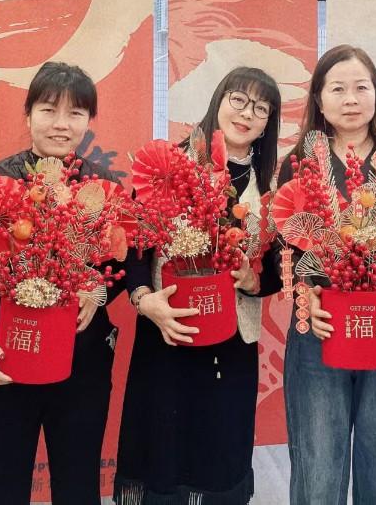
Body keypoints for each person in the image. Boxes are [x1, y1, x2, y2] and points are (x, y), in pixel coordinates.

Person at [0, 61, 122, 504]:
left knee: (78, 486)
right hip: (6, 358)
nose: (61, 124)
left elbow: (125, 261)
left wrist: (97, 290)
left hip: (80, 365)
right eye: (48, 110)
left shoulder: (103, 187)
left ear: (89, 121)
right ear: (28, 116)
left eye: (75, 113)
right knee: (3, 488)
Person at [114, 66, 283, 504]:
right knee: (164, 444)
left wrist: (255, 280)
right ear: (219, 101)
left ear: (269, 123)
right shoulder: (171, 165)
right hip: (169, 329)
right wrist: (143, 299)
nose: (247, 114)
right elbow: (135, 242)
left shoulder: (272, 184)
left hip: (232, 340)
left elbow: (281, 266)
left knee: (219, 446)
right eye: (238, 100)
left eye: (261, 109)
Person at [279, 44, 376, 505]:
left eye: (361, 87)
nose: (350, 99)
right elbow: (289, 249)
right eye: (338, 89)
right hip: (319, 332)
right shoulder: (301, 163)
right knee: (318, 473)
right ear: (319, 99)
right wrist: (308, 298)